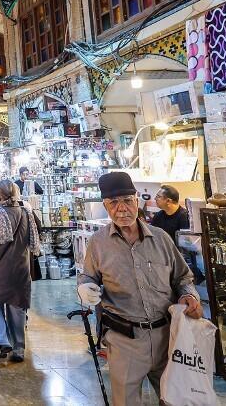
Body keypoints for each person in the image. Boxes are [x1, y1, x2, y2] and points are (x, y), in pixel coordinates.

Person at [77, 171, 201, 406]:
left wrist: (188, 294)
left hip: (168, 336)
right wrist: (85, 288)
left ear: (137, 200)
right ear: (105, 206)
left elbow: (183, 277)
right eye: (113, 203)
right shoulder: (98, 243)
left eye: (126, 200)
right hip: (125, 339)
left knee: (176, 398)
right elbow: (87, 277)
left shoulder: (161, 238)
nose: (121, 208)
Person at [0, 180, 41, 362]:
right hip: (22, 267)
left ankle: (1, 339)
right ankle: (19, 349)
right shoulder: (26, 212)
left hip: (0, 268)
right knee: (17, 306)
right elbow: (35, 234)